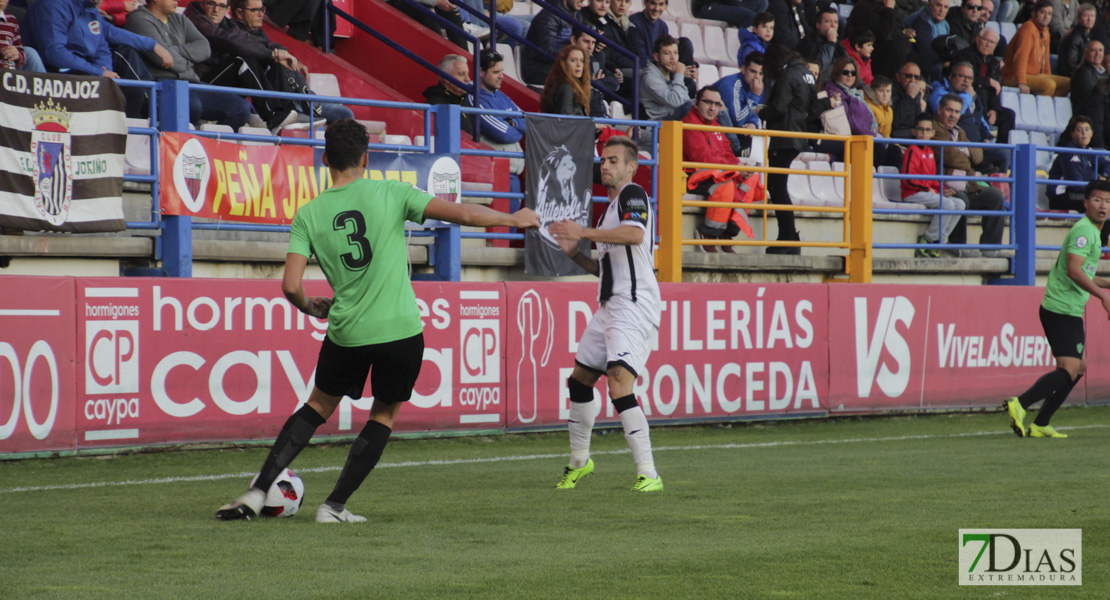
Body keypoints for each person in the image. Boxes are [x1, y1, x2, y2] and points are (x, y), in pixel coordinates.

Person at [215, 119, 540, 521]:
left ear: (325, 160)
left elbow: (290, 285)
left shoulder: (309, 214)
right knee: (383, 415)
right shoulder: (392, 192)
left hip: (347, 331)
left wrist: (310, 307)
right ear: (366, 158)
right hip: (400, 331)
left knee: (316, 406)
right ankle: (333, 507)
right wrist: (515, 219)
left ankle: (257, 491)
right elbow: (465, 215)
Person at [547, 135, 663, 492]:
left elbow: (633, 233)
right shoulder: (607, 211)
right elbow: (606, 269)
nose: (606, 165)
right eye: (604, 160)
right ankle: (580, 462)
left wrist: (582, 232)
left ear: (631, 167)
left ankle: (649, 472)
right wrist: (574, 254)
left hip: (634, 304)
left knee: (617, 382)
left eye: (614, 160)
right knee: (579, 380)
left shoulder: (633, 195)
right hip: (609, 305)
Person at [1004, 180, 1110, 439]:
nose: (1103, 205)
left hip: (1068, 307)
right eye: (1097, 200)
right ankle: (1019, 403)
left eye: (1107, 201)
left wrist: (1106, 284)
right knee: (1069, 368)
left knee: (1079, 368)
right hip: (1061, 307)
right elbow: (1074, 271)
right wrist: (1102, 296)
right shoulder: (1084, 231)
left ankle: (1041, 423)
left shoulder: (1094, 232)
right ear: (1086, 202)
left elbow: (1083, 272)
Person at [23, 0, 174, 117]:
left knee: (131, 92)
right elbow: (54, 54)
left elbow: (101, 46)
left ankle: (131, 133)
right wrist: (98, 73)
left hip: (86, 72)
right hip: (56, 75)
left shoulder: (89, 8)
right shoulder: (52, 5)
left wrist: (105, 71)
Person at [126, 0, 252, 130]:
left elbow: (205, 48)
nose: (177, 1)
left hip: (190, 83)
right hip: (161, 84)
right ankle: (182, 146)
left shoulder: (180, 18)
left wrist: (171, 50)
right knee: (191, 105)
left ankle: (208, 146)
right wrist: (189, 58)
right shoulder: (138, 19)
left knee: (241, 108)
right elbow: (163, 60)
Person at [759, 46, 836, 254]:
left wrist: (761, 113)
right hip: (798, 136)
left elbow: (778, 107)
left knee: (776, 187)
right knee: (777, 185)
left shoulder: (787, 75)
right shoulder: (807, 75)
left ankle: (789, 237)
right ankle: (787, 236)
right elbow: (812, 110)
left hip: (784, 137)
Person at [230, 0, 354, 124]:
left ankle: (306, 102)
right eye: (254, 10)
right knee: (344, 114)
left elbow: (273, 46)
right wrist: (276, 56)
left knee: (344, 112)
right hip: (283, 102)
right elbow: (260, 52)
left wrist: (291, 58)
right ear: (239, 13)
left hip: (291, 95)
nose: (261, 14)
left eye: (262, 10)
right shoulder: (237, 37)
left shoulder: (259, 33)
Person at [932, 93, 1009, 257]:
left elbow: (979, 155)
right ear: (940, 109)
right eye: (949, 110)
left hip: (968, 186)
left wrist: (964, 151)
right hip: (944, 186)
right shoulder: (934, 128)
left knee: (995, 195)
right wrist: (966, 155)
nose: (953, 115)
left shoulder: (960, 132)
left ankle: (990, 248)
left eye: (957, 112)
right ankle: (956, 245)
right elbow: (949, 155)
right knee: (961, 200)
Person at [683, 86, 750, 249]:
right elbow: (700, 157)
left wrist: (739, 167)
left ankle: (727, 232)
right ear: (696, 103)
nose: (712, 108)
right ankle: (708, 233)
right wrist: (733, 168)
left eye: (717, 104)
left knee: (750, 180)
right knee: (725, 185)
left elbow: (727, 153)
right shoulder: (688, 124)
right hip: (695, 177)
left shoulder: (717, 126)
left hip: (717, 173)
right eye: (707, 102)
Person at [901, 113, 967, 256]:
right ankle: (928, 240)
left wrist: (943, 190)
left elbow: (932, 179)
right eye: (920, 129)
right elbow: (908, 179)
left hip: (925, 192)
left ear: (933, 133)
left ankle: (939, 241)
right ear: (914, 132)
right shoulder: (912, 150)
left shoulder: (929, 151)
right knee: (947, 205)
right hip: (912, 193)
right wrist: (928, 188)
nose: (924, 133)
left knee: (960, 204)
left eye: (927, 130)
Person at [928, 61, 1009, 173]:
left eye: (970, 78)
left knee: (1006, 153)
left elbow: (981, 120)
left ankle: (999, 187)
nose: (966, 81)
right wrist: (967, 96)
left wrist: (987, 137)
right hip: (958, 146)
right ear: (951, 77)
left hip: (978, 146)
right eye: (962, 76)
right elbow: (943, 114)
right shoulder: (941, 92)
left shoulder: (973, 96)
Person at [466, 48, 527, 194]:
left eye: (501, 71)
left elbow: (528, 124)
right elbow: (503, 135)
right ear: (481, 72)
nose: (501, 77)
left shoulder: (502, 96)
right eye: (495, 72)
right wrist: (517, 128)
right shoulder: (475, 98)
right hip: (496, 176)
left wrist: (512, 124)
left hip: (514, 175)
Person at [953, 26, 1015, 144]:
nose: (988, 44)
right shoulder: (964, 56)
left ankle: (1001, 149)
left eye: (992, 42)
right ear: (977, 39)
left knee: (1009, 115)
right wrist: (987, 81)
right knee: (981, 91)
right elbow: (962, 80)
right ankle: (984, 141)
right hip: (967, 100)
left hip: (987, 105)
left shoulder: (994, 63)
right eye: (985, 40)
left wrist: (994, 110)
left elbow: (996, 90)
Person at [1001, 0, 1070, 96]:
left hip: (1034, 76)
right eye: (1042, 12)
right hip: (1013, 76)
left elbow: (1045, 62)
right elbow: (1020, 57)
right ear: (1034, 14)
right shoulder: (1028, 29)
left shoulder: (1046, 32)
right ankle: (1040, 109)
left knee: (1067, 83)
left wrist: (1048, 76)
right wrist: (1022, 82)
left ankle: (1049, 106)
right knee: (1049, 85)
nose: (1046, 16)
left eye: (1049, 14)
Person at [1048, 115, 1110, 215]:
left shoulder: (1089, 152)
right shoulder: (1069, 153)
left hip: (1080, 195)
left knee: (1103, 204)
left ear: (1092, 133)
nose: (1084, 133)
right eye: (1079, 130)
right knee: (1100, 206)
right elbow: (1076, 186)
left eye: (1087, 129)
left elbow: (1107, 165)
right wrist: (1098, 184)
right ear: (1072, 133)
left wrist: (1104, 176)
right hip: (1061, 197)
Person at [847, 0, 914, 79]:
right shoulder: (864, 7)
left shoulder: (886, 5)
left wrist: (906, 32)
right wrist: (889, 9)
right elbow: (884, 35)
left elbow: (899, 25)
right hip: (870, 50)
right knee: (898, 48)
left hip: (892, 45)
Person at [715, 50, 764, 153]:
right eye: (753, 71)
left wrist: (753, 124)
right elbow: (738, 120)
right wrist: (755, 96)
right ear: (743, 69)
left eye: (761, 73)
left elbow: (755, 113)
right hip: (716, 133)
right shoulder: (731, 85)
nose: (757, 77)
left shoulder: (755, 87)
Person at [521, 0, 577, 85]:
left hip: (561, 64)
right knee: (577, 78)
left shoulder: (576, 14)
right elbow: (547, 52)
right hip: (539, 68)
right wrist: (574, 50)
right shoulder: (548, 16)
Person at [641, 34, 694, 120]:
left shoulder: (672, 73)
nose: (673, 58)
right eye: (667, 53)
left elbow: (685, 99)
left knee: (710, 103)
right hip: (661, 124)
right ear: (656, 57)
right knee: (692, 105)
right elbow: (677, 102)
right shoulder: (650, 78)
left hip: (676, 120)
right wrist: (679, 75)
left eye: (676, 53)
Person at [1070, 39, 1109, 148]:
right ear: (1086, 53)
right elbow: (1091, 99)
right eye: (1093, 50)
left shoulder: (1105, 73)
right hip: (1086, 118)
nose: (1098, 53)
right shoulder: (1082, 72)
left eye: (1100, 50)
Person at [540, 45, 591, 116]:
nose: (579, 64)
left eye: (581, 60)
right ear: (564, 64)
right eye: (573, 60)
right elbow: (567, 120)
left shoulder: (567, 84)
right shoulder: (566, 87)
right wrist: (592, 125)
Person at [797, 6, 845, 81]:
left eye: (836, 22)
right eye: (828, 21)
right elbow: (819, 68)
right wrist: (830, 44)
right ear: (818, 25)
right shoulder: (808, 42)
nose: (833, 25)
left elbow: (848, 64)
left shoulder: (837, 43)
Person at [907, 0, 951, 81]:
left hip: (934, 58)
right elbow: (924, 50)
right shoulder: (921, 19)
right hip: (915, 59)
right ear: (930, 4)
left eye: (945, 7)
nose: (942, 10)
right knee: (937, 67)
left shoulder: (945, 24)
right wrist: (944, 62)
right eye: (938, 5)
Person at [0, 0, 44, 72]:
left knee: (31, 53)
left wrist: (16, 54)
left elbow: (19, 49)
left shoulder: (11, 19)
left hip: (8, 72)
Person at [1057, 2, 1096, 77]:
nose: (1089, 19)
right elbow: (1070, 66)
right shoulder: (1073, 37)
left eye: (1092, 16)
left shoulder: (1089, 35)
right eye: (1085, 16)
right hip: (1071, 76)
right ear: (1078, 18)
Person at [891, 61, 928, 138]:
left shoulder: (916, 92)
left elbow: (918, 118)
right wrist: (909, 97)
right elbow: (895, 121)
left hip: (913, 133)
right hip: (896, 135)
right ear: (898, 77)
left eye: (916, 77)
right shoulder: (890, 91)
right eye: (908, 76)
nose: (912, 80)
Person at [692, 0, 769, 29]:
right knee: (750, 16)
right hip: (707, 6)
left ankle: (753, 31)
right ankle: (744, 41)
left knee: (762, 2)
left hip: (726, 4)